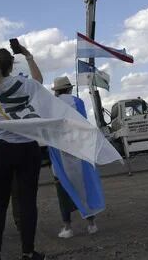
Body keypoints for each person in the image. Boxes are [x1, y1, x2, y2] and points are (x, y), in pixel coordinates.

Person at [0, 47, 46, 260]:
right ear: (12, 65)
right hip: (26, 148)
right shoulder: (25, 84)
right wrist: (28, 55)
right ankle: (28, 252)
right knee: (27, 202)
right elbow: (39, 80)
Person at [50, 76, 98, 239]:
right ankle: (91, 224)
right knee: (84, 186)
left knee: (62, 188)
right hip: (78, 149)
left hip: (60, 151)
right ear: (69, 89)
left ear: (56, 91)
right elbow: (83, 125)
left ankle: (68, 227)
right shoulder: (78, 102)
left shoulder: (51, 105)